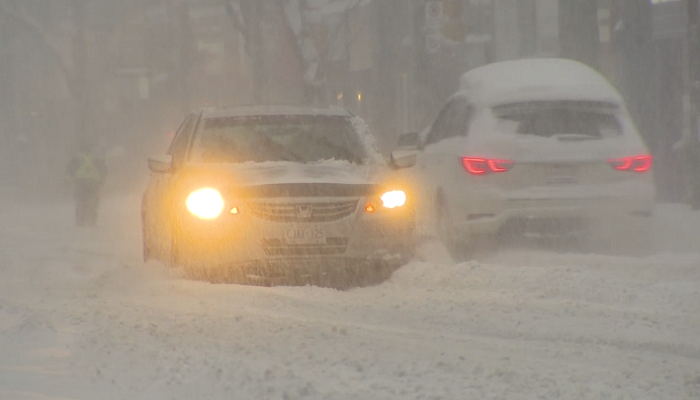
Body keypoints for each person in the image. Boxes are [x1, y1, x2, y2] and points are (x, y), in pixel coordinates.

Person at [66, 142, 107, 227]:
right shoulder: (95, 158)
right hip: (94, 183)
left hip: (80, 183)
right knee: (93, 203)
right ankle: (92, 221)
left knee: (80, 203)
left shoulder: (77, 158)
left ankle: (80, 221)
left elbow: (70, 170)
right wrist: (102, 180)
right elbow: (103, 169)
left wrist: (68, 181)